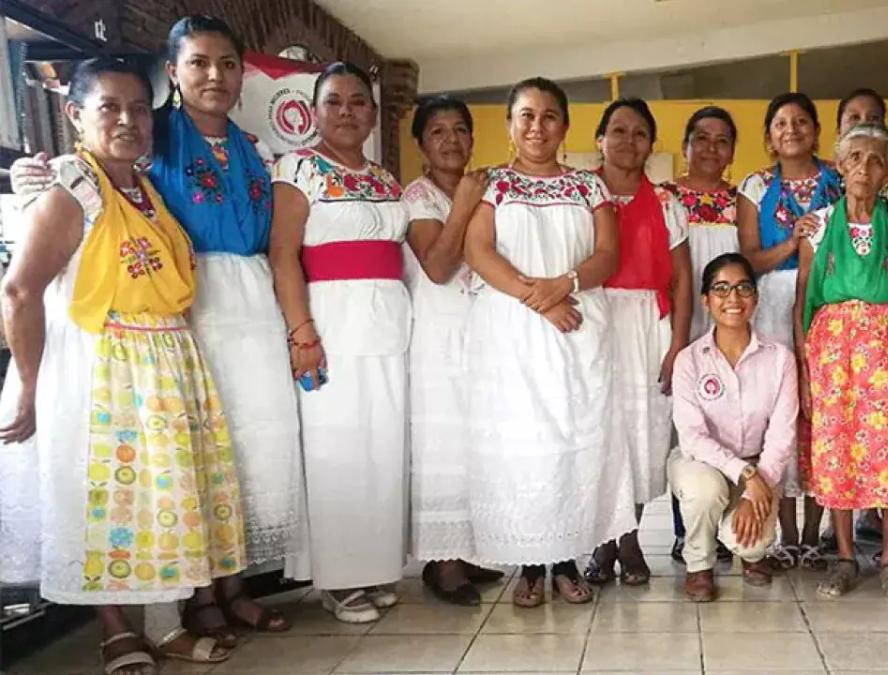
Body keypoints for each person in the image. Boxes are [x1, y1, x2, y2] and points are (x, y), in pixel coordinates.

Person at [9, 15, 301, 643]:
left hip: (219, 321)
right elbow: (36, 265)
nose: (215, 76)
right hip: (159, 328)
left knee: (228, 463)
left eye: (227, 63)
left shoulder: (244, 148)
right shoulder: (138, 146)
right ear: (174, 72)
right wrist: (39, 174)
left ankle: (231, 586)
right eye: (198, 62)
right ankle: (187, 605)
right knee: (165, 474)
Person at [0, 57, 243, 673]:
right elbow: (20, 292)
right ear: (75, 114)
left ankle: (165, 623)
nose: (128, 120)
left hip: (160, 363)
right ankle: (114, 628)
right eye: (109, 107)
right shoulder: (68, 192)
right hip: (98, 366)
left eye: (138, 108)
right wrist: (27, 387)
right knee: (103, 501)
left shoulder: (145, 190)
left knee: (162, 500)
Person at [463, 77, 636, 608]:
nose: (537, 127)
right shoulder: (492, 184)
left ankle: (566, 560)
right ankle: (529, 564)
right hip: (512, 333)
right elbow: (478, 251)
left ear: (565, 126)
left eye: (549, 116)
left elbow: (607, 253)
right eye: (526, 116)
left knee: (569, 446)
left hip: (577, 331)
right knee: (525, 447)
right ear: (511, 125)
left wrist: (567, 285)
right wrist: (539, 297)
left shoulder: (589, 187)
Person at [269, 62, 409, 624]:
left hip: (388, 321)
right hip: (330, 321)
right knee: (335, 447)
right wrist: (303, 332)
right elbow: (283, 255)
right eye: (335, 102)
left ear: (373, 113)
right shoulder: (298, 168)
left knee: (382, 447)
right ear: (316, 111)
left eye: (358, 102)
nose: (348, 111)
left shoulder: (386, 177)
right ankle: (338, 577)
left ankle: (374, 566)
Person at [795, 123, 888, 604]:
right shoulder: (815, 227)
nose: (863, 168)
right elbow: (802, 306)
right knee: (838, 457)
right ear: (839, 165)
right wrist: (806, 379)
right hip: (832, 361)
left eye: (875, 160)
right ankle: (846, 557)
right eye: (853, 157)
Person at [401, 95, 504, 605]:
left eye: (460, 130)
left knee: (474, 447)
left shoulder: (485, 190)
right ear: (421, 143)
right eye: (437, 132)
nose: (451, 140)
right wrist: (464, 203)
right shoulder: (418, 197)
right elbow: (438, 267)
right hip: (438, 338)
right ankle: (440, 563)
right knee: (442, 449)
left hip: (481, 333)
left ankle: (464, 551)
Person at [586, 98, 691, 587]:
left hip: (649, 325)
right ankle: (610, 543)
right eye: (619, 131)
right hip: (593, 323)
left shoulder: (668, 202)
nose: (629, 142)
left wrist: (678, 345)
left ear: (651, 144)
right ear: (599, 139)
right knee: (600, 434)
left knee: (641, 436)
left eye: (640, 134)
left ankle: (624, 538)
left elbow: (684, 280)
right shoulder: (580, 195)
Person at [736, 92, 840, 570]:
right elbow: (749, 259)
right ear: (769, 136)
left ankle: (816, 537)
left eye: (801, 121)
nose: (792, 130)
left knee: (822, 413)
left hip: (827, 303)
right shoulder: (755, 186)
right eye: (781, 123)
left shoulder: (840, 180)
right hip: (772, 305)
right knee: (776, 415)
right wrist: (793, 244)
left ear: (816, 130)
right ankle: (784, 535)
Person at [670, 253, 798, 601]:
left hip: (759, 463)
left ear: (755, 297)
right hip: (701, 461)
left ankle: (752, 557)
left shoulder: (780, 359)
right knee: (704, 489)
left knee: (752, 541)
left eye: (743, 288)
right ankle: (699, 565)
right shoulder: (689, 359)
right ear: (706, 300)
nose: (733, 299)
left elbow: (782, 435)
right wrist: (746, 475)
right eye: (721, 289)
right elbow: (692, 436)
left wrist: (760, 481)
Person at [661, 106, 739, 564]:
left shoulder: (740, 200)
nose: (711, 148)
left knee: (726, 418)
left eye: (722, 140)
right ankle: (684, 529)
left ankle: (724, 525)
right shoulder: (664, 197)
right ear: (686, 145)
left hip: (728, 318)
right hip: (679, 319)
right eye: (702, 138)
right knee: (685, 428)